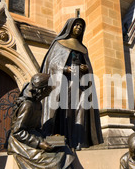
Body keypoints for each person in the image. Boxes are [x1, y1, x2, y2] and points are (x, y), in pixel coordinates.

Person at [7, 73, 77, 169]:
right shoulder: (28, 104)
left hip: (33, 137)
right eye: (48, 89)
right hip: (21, 143)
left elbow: (35, 127)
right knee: (50, 160)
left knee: (63, 147)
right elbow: (17, 131)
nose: (50, 91)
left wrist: (49, 139)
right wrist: (40, 143)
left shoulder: (37, 102)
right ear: (41, 89)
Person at [40, 17, 103, 150]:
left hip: (80, 85)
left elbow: (88, 66)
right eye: (76, 25)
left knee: (79, 111)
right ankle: (62, 140)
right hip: (63, 84)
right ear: (70, 27)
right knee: (64, 111)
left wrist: (86, 69)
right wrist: (64, 69)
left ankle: (78, 141)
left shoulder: (83, 48)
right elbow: (51, 64)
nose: (79, 28)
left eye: (81, 26)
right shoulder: (59, 43)